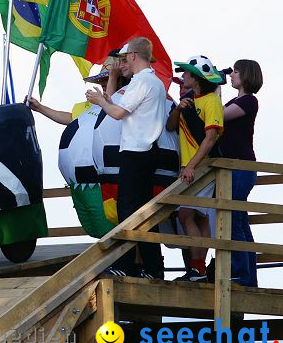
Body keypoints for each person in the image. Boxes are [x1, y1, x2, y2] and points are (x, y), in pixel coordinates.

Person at [85, 37, 167, 279]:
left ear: (133, 56)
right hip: (147, 151)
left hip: (136, 153)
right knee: (144, 212)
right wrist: (106, 101)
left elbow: (118, 113)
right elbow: (122, 109)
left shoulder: (142, 81)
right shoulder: (153, 81)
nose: (122, 63)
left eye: (124, 58)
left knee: (128, 211)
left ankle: (128, 265)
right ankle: (152, 268)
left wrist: (100, 101)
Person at [165, 55, 226, 282]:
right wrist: (178, 109)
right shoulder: (189, 99)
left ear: (197, 77)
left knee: (185, 214)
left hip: (200, 168)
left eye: (187, 73)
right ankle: (198, 271)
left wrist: (190, 167)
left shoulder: (211, 101)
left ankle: (197, 269)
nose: (183, 77)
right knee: (199, 218)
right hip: (192, 168)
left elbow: (210, 139)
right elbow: (171, 126)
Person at [219, 59, 263, 287]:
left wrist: (214, 87)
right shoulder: (235, 100)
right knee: (240, 223)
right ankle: (247, 277)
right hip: (235, 168)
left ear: (246, 75)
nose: (232, 75)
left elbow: (219, 117)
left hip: (241, 167)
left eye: (235, 71)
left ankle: (240, 274)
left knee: (233, 220)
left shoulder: (248, 100)